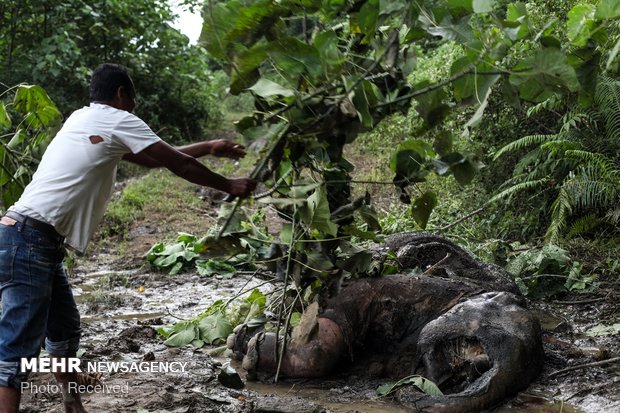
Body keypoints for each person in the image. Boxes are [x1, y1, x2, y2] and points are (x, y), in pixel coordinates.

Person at [0, 63, 257, 413]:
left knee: (63, 330)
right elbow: (176, 164)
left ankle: (73, 406)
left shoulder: (82, 118)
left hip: (28, 237)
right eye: (132, 100)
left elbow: (153, 160)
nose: (133, 108)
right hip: (29, 241)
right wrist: (230, 185)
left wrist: (209, 146)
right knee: (17, 353)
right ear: (122, 94)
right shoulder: (118, 119)